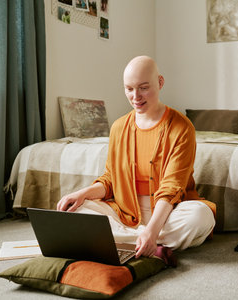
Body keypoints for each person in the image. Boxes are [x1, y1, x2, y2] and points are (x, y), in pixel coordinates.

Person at [57, 56, 216, 263]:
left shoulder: (182, 127)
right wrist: (81, 193)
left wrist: (151, 230)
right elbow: (111, 179)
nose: (135, 97)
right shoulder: (118, 127)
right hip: (125, 212)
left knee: (200, 217)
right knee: (75, 210)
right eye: (129, 89)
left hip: (170, 212)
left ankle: (131, 240)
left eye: (143, 88)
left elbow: (172, 188)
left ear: (160, 82)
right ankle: (148, 244)